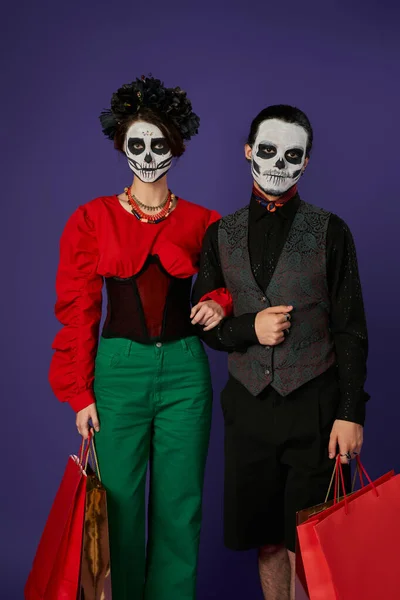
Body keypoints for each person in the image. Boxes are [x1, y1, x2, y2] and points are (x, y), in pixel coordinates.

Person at [49, 75, 233, 600]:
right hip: (118, 372)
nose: (149, 154)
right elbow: (78, 308)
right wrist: (80, 392)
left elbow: (231, 285)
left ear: (175, 146)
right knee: (119, 507)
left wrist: (218, 302)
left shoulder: (204, 221)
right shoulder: (91, 218)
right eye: (137, 144)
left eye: (159, 144)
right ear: (121, 146)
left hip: (185, 374)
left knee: (180, 507)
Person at [192, 104, 369, 600]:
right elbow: (205, 323)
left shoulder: (332, 231)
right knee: (267, 542)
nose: (278, 163)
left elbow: (351, 329)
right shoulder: (219, 235)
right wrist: (250, 327)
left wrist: (351, 412)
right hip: (248, 408)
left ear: (307, 163)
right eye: (267, 151)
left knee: (312, 541)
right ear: (248, 151)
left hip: (315, 407)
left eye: (293, 155)